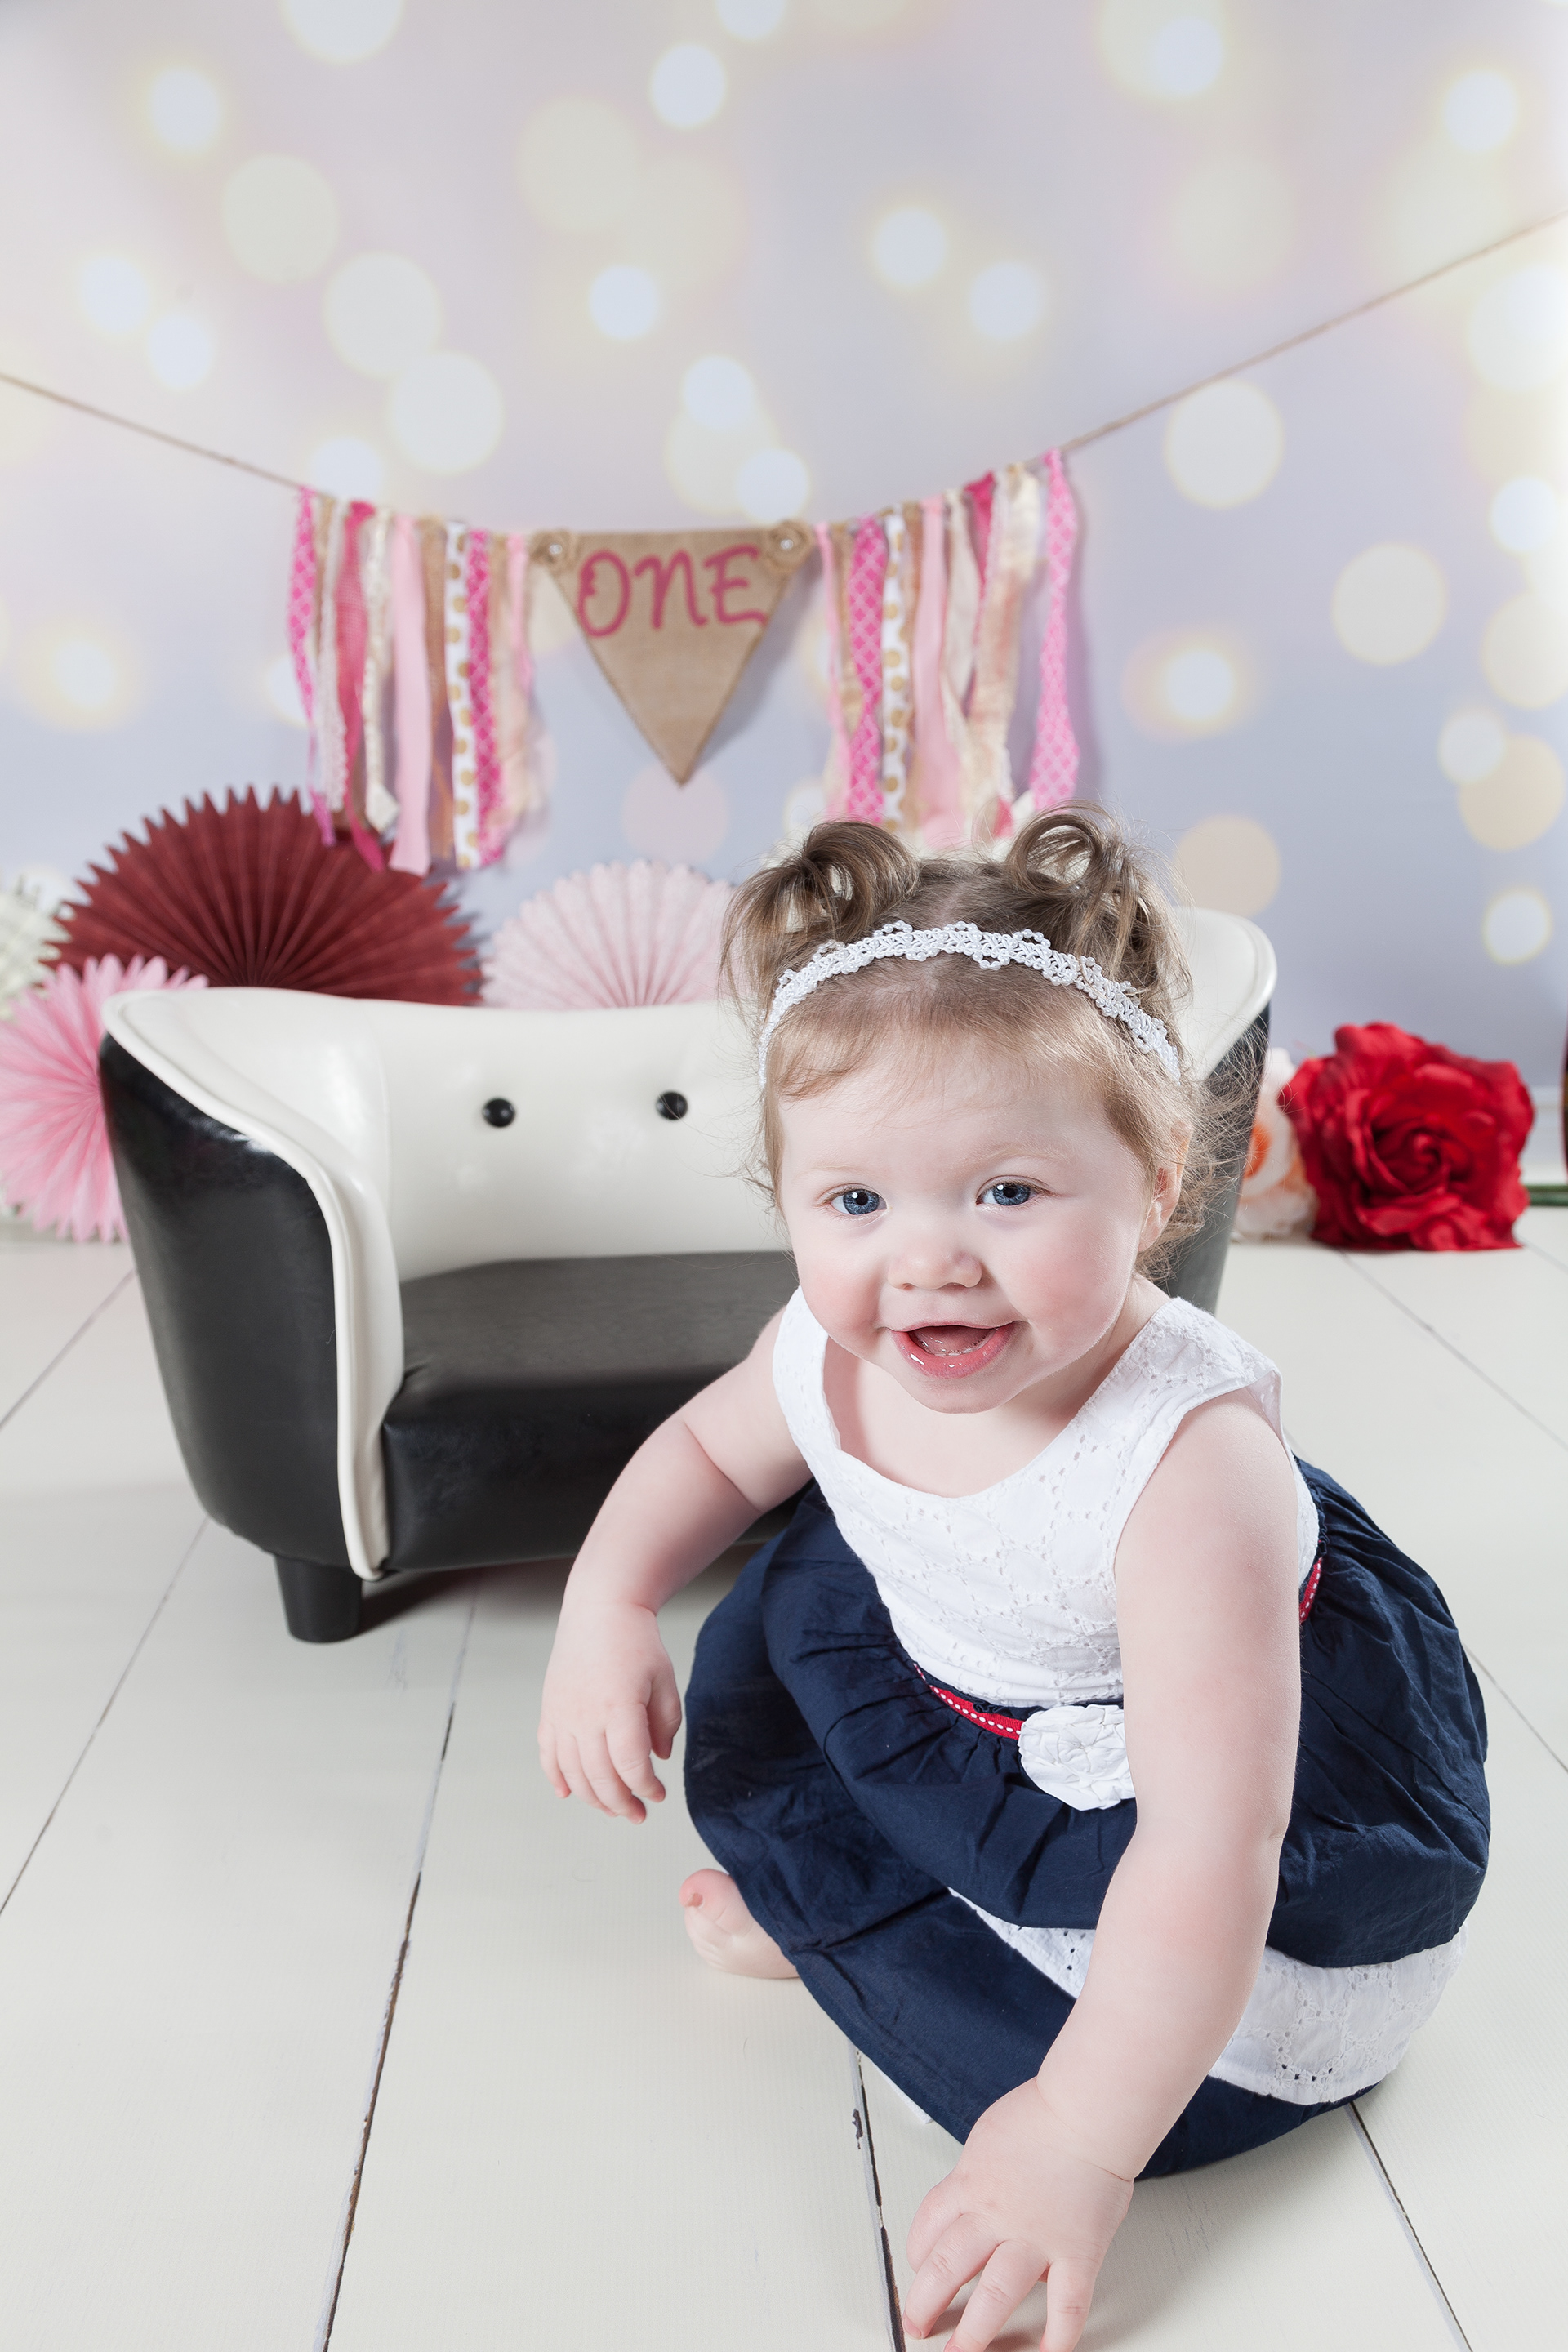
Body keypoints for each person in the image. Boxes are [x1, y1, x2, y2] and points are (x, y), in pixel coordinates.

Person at [537, 809, 1489, 2352]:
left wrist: (1079, 2142)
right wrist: (608, 1603)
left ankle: (979, 1998)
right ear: (788, 1197)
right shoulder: (824, 1345)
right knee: (790, 1668)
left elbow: (1210, 1852)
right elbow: (708, 1453)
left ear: (1159, 1186)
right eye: (856, 1202)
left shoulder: (1191, 1480)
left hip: (1188, 1771)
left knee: (1117, 2061)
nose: (928, 1262)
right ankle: (844, 1910)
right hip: (961, 1673)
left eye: (1007, 1193)